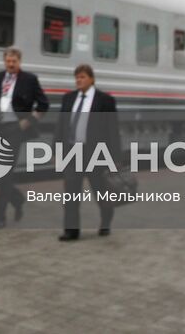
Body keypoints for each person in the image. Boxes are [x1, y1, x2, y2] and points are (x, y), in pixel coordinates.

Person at [0, 47, 49, 229]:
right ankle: (16, 198)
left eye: (14, 61)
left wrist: (28, 121)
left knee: (5, 173)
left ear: (19, 61)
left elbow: (43, 104)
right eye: (8, 61)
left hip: (14, 130)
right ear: (4, 61)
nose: (11, 64)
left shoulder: (29, 80)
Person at [56, 64, 121, 241]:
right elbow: (61, 125)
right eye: (77, 77)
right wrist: (57, 150)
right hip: (72, 152)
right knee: (71, 194)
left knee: (101, 192)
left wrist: (115, 158)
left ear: (91, 79)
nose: (79, 80)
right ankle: (71, 231)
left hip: (96, 154)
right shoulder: (68, 99)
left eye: (82, 77)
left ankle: (106, 222)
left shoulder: (105, 100)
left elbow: (112, 131)